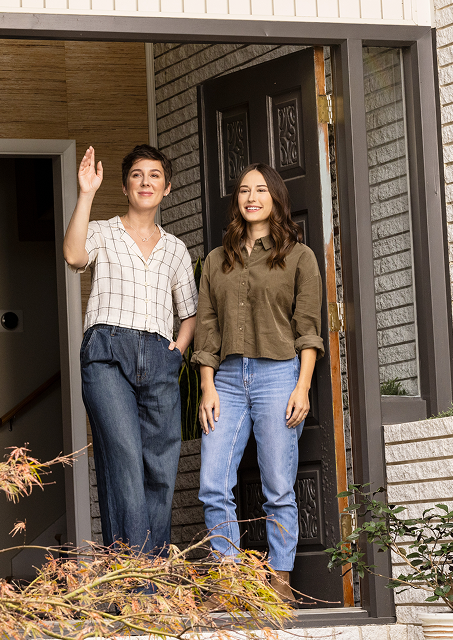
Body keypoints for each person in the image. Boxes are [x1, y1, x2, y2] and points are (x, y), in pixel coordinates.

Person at [192, 163, 324, 601]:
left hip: (278, 375)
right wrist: (207, 386)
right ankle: (229, 580)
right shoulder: (216, 260)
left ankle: (280, 581)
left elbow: (308, 329)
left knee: (278, 486)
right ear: (238, 201)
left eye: (261, 189)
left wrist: (302, 386)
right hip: (226, 379)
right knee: (213, 482)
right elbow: (207, 330)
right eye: (245, 190)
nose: (252, 197)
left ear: (276, 199)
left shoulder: (299, 257)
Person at [63, 144, 198, 555]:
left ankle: (143, 574)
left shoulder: (175, 249)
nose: (146, 182)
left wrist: (179, 348)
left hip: (159, 356)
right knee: (123, 458)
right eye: (137, 175)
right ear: (124, 186)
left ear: (167, 188)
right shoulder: (103, 231)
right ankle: (140, 586)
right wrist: (85, 192)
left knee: (160, 467)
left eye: (155, 175)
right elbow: (73, 255)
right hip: (107, 353)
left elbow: (189, 312)